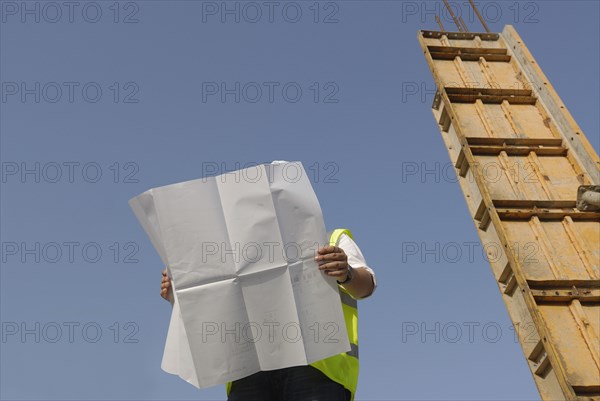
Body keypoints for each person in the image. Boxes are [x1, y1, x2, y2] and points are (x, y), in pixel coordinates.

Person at [160, 229, 376, 401]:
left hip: (317, 370)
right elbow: (210, 311)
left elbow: (366, 287)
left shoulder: (331, 239)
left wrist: (346, 273)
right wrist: (179, 296)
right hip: (249, 372)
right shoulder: (229, 259)